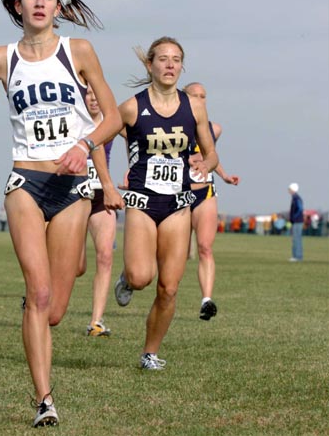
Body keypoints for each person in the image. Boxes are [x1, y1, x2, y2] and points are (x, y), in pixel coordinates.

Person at [0, 0, 122, 427]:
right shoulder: (0, 59)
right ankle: (44, 400)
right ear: (17, 6)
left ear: (58, 6)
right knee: (40, 291)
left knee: (54, 312)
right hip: (24, 182)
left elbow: (111, 116)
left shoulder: (79, 52)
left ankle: (35, 307)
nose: (39, 3)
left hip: (72, 188)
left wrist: (85, 146)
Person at [83, 37, 218, 371]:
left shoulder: (195, 107)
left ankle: (150, 353)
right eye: (163, 59)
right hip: (142, 203)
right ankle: (127, 279)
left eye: (176, 60)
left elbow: (211, 152)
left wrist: (206, 164)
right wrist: (107, 185)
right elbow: (95, 141)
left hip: (178, 204)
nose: (170, 65)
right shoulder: (132, 107)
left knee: (169, 288)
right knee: (143, 277)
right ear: (150, 65)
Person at [183, 82, 240, 320]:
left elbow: (211, 155)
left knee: (205, 247)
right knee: (172, 255)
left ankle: (206, 300)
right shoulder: (170, 126)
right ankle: (132, 278)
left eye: (203, 96)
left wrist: (224, 175)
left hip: (205, 192)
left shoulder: (213, 129)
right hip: (177, 193)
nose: (200, 99)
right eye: (194, 95)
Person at [76, 85, 121, 337]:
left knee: (105, 255)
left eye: (97, 94)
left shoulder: (112, 121)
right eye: (88, 94)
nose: (93, 99)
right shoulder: (72, 120)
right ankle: (37, 293)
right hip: (74, 197)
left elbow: (139, 135)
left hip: (102, 197)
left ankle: (96, 321)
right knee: (77, 267)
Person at [288, 182, 303, 261]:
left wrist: (294, 217)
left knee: (297, 239)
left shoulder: (296, 198)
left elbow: (300, 209)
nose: (288, 190)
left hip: (297, 221)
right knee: (295, 239)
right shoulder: (294, 198)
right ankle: (295, 256)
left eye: (289, 189)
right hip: (295, 221)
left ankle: (298, 256)